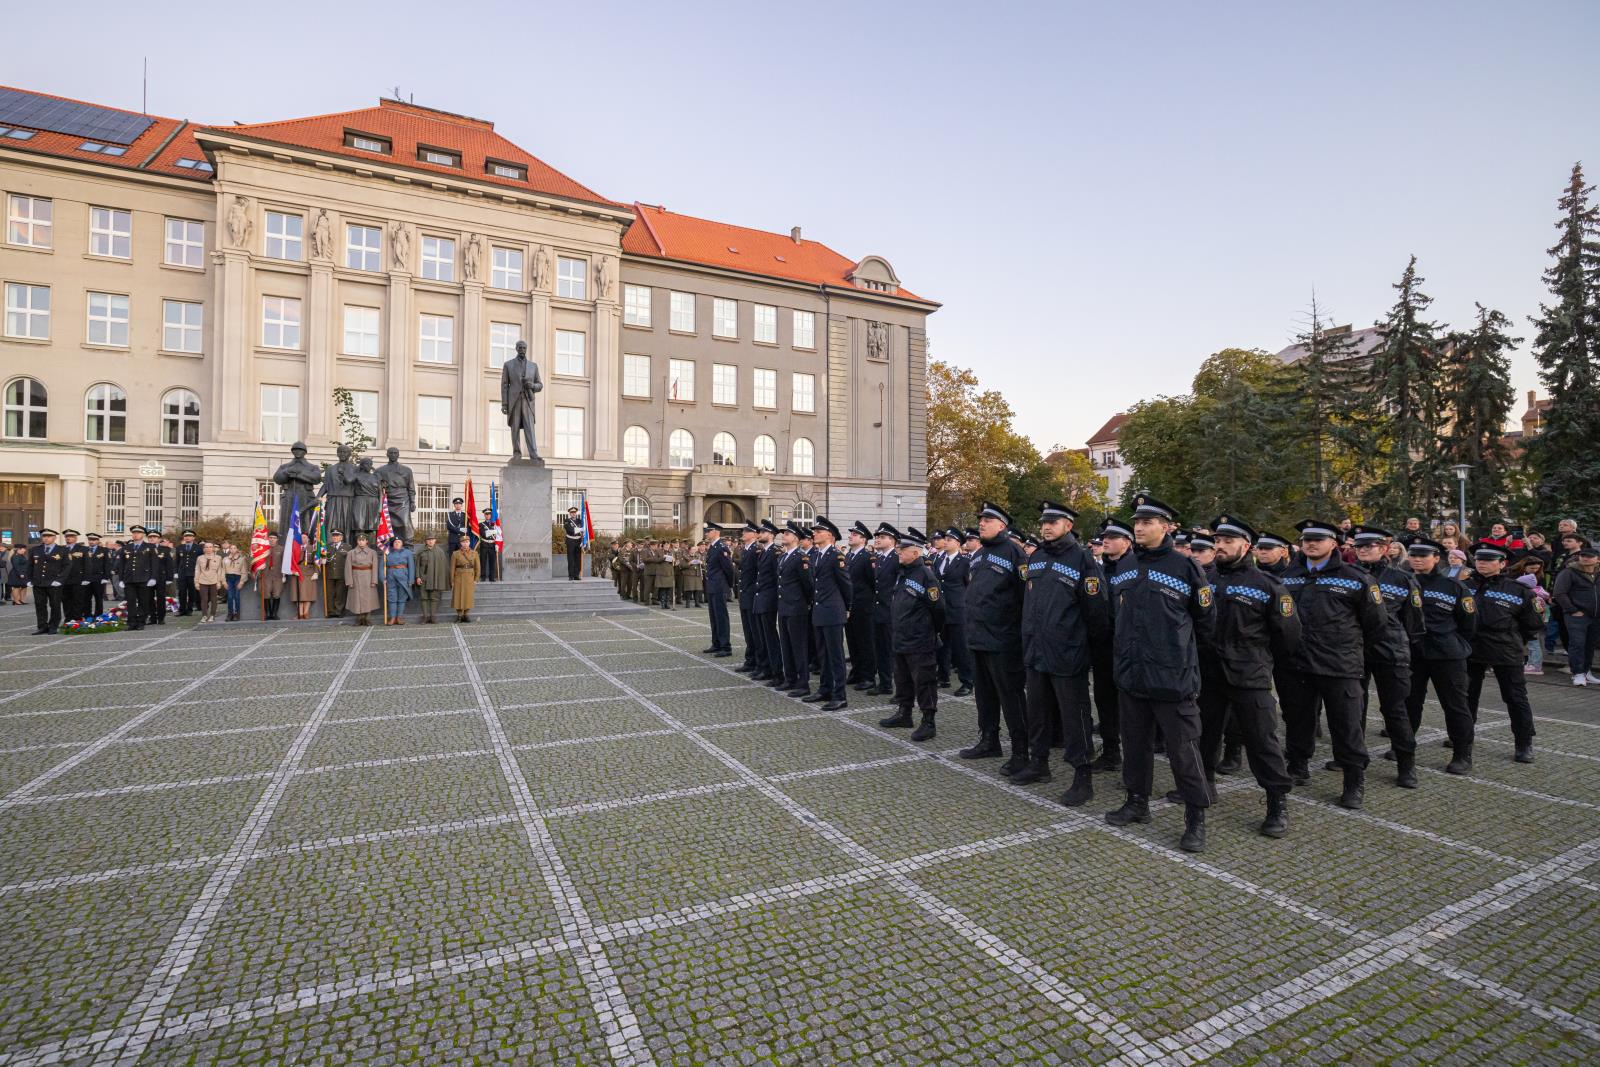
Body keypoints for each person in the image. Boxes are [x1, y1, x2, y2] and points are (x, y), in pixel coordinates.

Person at [1105, 494, 1214, 852]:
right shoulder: (1125, 566)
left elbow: (1205, 622)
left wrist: (1182, 661)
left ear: (1167, 527)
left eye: (1148, 522)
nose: (1139, 527)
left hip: (1172, 677)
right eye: (1137, 521)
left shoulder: (1186, 568)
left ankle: (1195, 817)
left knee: (1183, 750)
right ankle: (1137, 802)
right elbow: (1115, 617)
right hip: (1132, 674)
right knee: (1134, 745)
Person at [1201, 516, 1300, 835]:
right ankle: (1204, 786)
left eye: (1228, 541)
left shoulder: (1268, 585)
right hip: (1210, 673)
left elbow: (1288, 635)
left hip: (1250, 674)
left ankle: (1276, 804)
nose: (1220, 546)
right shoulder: (1205, 578)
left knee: (1262, 740)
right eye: (1217, 541)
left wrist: (1260, 660)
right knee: (1204, 736)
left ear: (1246, 546)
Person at [1279, 519, 1386, 808]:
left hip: (1339, 665)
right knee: (1298, 719)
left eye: (1318, 539)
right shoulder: (1288, 576)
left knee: (1346, 725)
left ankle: (1353, 781)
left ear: (1334, 543)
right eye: (1306, 539)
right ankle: (1297, 764)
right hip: (1297, 664)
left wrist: (1347, 649)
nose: (1310, 543)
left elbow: (1376, 624)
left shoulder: (1356, 577)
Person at [1015, 501, 1108, 804]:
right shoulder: (1037, 556)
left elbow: (1096, 612)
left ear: (1068, 525)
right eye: (1043, 522)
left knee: (1075, 716)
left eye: (1052, 522)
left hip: (1067, 653)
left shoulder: (1083, 560)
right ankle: (1038, 763)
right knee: (1038, 712)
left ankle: (1083, 776)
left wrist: (1082, 647)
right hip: (1036, 650)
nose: (1045, 527)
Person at [1350, 525, 1424, 788]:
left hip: (1390, 650)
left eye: (1369, 546)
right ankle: (1351, 758)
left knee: (1394, 709)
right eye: (1359, 546)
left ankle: (1406, 764)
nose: (1363, 550)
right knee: (1352, 707)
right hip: (1354, 650)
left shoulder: (1402, 579)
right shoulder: (1348, 575)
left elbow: (1414, 622)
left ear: (1384, 548)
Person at [959, 503, 1030, 770]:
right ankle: (989, 740)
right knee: (984, 695)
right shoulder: (977, 555)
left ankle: (1021, 751)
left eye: (988, 520)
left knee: (1011, 697)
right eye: (981, 520)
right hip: (978, 637)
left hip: (1004, 640)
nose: (982, 524)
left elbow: (1025, 597)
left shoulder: (1014, 552)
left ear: (1002, 525)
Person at [1405, 537, 1479, 774]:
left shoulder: (1454, 586)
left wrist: (1454, 642)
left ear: (1437, 558)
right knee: (1409, 703)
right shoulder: (1403, 582)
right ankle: (1404, 747)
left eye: (1423, 555)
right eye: (1413, 555)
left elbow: (1469, 623)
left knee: (1455, 705)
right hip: (1413, 653)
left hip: (1446, 654)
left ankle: (1462, 754)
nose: (1417, 559)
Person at [1465, 540, 1543, 763]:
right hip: (1471, 649)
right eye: (1479, 559)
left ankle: (1524, 742)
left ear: (1503, 563)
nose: (1482, 563)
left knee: (1515, 698)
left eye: (1489, 560)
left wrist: (1514, 638)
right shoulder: (1464, 586)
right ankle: (1463, 736)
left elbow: (1533, 624)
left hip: (1505, 649)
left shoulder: (1518, 590)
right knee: (1466, 696)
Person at [878, 528, 945, 740]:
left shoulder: (926, 575)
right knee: (903, 679)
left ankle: (928, 721)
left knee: (924, 681)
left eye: (903, 549)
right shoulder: (903, 572)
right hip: (901, 637)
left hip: (920, 639)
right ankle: (904, 713)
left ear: (915, 553)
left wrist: (930, 632)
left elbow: (939, 609)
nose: (899, 551)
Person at [1091, 518, 1135, 772]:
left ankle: (1133, 758)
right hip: (1104, 647)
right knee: (1105, 700)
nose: (1105, 540)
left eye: (1112, 537)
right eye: (1104, 536)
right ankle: (1110, 751)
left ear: (1127, 542)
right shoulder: (1097, 569)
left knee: (1130, 706)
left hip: (1129, 648)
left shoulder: (1136, 568)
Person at [803, 517, 851, 709]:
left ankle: (840, 695)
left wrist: (847, 607)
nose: (814, 533)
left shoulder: (836, 556)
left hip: (833, 611)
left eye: (818, 531)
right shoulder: (816, 555)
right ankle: (825, 689)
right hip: (819, 610)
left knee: (836, 655)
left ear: (829, 535)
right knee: (822, 654)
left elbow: (846, 585)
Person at [775, 521, 815, 697]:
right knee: (786, 646)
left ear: (796, 539)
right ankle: (790, 678)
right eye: (784, 533)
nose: (784, 536)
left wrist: (804, 602)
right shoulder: (783, 557)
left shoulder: (801, 558)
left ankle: (803, 683)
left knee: (798, 647)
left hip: (797, 607)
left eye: (787, 534)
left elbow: (808, 584)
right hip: (784, 607)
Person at [935, 527, 975, 696]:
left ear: (958, 543)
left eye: (949, 540)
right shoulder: (939, 560)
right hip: (942, 610)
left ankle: (967, 681)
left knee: (961, 648)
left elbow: (969, 585)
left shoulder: (965, 562)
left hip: (958, 610)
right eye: (945, 539)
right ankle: (943, 677)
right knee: (942, 647)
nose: (945, 542)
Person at [1553, 544, 1600, 685]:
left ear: (1598, 559)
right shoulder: (1569, 572)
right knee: (1577, 644)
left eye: (1589, 556)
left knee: (1590, 645)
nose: (1585, 558)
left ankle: (1586, 672)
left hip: (1596, 616)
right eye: (1583, 556)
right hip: (1576, 615)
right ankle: (1578, 673)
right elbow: (1559, 593)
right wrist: (1573, 610)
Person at [844, 522, 878, 690]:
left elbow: (873, 583)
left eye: (854, 535)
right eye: (851, 534)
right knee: (852, 641)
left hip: (864, 607)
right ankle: (856, 672)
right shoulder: (849, 556)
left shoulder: (867, 557)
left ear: (863, 539)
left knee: (865, 642)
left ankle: (868, 676)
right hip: (851, 607)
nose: (850, 536)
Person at [753, 522, 783, 684]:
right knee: (762, 636)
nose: (760, 533)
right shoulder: (763, 552)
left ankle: (776, 671)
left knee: (770, 637)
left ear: (771, 535)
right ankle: (765, 667)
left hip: (769, 599)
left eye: (763, 531)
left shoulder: (774, 552)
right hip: (760, 598)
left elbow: (776, 577)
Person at [702, 523, 736, 657]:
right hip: (712, 586)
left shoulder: (722, 548)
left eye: (708, 531)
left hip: (719, 586)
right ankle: (716, 643)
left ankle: (725, 646)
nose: (706, 533)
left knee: (721, 617)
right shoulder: (713, 547)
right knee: (714, 617)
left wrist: (728, 586)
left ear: (715, 532)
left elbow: (729, 569)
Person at [1514, 556, 1552, 675]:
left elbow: (1538, 610)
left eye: (1537, 568)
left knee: (1534, 642)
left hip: (1533, 621)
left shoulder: (1533, 596)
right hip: (1535, 620)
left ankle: (1535, 665)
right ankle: (1531, 663)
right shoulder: (1537, 592)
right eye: (1532, 568)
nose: (1535, 570)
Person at [734, 524, 765, 673]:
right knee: (748, 630)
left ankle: (759, 662)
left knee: (755, 631)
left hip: (752, 594)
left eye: (747, 531)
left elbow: (757, 573)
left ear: (754, 535)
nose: (743, 533)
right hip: (745, 595)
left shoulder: (756, 550)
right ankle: (750, 659)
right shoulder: (746, 549)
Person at [27, 528, 67, 634]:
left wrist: (59, 580)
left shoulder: (62, 550)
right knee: (40, 605)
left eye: (49, 536)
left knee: (55, 605)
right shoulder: (35, 550)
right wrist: (29, 579)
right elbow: (29, 566)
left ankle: (53, 626)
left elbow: (67, 566)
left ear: (54, 537)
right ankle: (42, 626)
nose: (46, 538)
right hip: (38, 582)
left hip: (54, 583)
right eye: (44, 536)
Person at [120, 526, 159, 630]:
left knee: (143, 601)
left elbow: (154, 563)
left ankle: (141, 622)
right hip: (129, 579)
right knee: (131, 601)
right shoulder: (126, 548)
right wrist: (121, 579)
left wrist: (153, 578)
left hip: (144, 578)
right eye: (134, 533)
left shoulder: (150, 547)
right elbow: (121, 565)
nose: (135, 534)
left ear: (143, 535)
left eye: (138, 533)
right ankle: (131, 622)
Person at [343, 534, 380, 625]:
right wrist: (349, 581)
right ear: (357, 541)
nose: (361, 542)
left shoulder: (372, 552)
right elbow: (348, 568)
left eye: (363, 540)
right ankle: (359, 618)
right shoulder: (351, 553)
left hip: (368, 576)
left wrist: (374, 581)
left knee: (368, 598)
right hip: (356, 577)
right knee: (357, 598)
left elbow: (375, 567)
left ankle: (367, 618)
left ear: (367, 541)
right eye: (359, 540)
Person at [414, 534, 450, 624]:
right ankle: (425, 617)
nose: (430, 541)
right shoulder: (420, 551)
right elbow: (417, 565)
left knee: (434, 598)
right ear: (426, 541)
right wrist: (417, 577)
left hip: (435, 578)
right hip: (423, 578)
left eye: (432, 539)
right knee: (424, 598)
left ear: (435, 541)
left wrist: (442, 580)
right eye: (428, 539)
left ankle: (433, 617)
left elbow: (444, 567)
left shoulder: (440, 552)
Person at [384, 536, 415, 624]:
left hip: (403, 577)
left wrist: (411, 580)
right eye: (395, 542)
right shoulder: (387, 552)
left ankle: (399, 617)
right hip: (391, 577)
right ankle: (392, 618)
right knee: (391, 598)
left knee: (402, 598)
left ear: (402, 544)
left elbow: (411, 567)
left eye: (399, 542)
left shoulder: (407, 552)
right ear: (392, 544)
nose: (397, 543)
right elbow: (382, 566)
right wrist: (383, 577)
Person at [194, 541, 225, 622]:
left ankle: (212, 615)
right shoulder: (200, 558)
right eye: (206, 547)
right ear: (204, 549)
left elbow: (220, 570)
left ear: (213, 548)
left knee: (214, 599)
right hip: (202, 581)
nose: (208, 549)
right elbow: (197, 570)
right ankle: (204, 615)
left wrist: (219, 582)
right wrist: (196, 582)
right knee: (204, 599)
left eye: (210, 547)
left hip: (214, 581)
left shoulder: (218, 558)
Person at [451, 536, 480, 622]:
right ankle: (459, 615)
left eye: (467, 542)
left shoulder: (474, 553)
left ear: (469, 543)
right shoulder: (455, 554)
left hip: (469, 577)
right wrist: (452, 580)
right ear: (460, 543)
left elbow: (478, 568)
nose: (465, 543)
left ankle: (466, 615)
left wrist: (476, 579)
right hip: (459, 577)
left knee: (468, 596)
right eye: (463, 542)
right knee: (458, 596)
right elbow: (452, 568)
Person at [259, 532, 285, 621]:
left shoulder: (281, 549)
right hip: (266, 575)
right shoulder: (263, 549)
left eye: (274, 538)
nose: (272, 539)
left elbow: (284, 562)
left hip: (278, 575)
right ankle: (268, 614)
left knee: (277, 594)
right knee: (266, 594)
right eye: (270, 537)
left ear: (277, 539)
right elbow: (258, 560)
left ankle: (274, 614)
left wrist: (284, 575)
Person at [175, 529, 201, 616]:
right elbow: (177, 561)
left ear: (193, 537)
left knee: (192, 592)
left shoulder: (198, 548)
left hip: (193, 573)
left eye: (189, 536)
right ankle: (181, 609)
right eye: (186, 536)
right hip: (182, 573)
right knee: (181, 592)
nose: (187, 538)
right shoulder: (179, 548)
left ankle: (189, 609)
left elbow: (200, 561)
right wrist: (175, 572)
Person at [290, 547, 319, 620]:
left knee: (308, 594)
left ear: (308, 538)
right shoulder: (295, 546)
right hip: (297, 572)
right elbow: (290, 559)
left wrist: (316, 572)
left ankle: (306, 613)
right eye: (302, 536)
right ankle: (300, 614)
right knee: (298, 595)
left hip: (309, 573)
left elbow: (316, 560)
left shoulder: (313, 548)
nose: (303, 538)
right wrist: (292, 570)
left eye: (305, 537)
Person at [324, 530, 348, 618]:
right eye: (333, 536)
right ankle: (331, 611)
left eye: (337, 536)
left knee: (340, 593)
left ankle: (339, 611)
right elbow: (323, 557)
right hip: (330, 574)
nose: (335, 537)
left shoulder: (347, 547)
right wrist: (323, 561)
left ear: (341, 537)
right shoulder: (327, 547)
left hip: (342, 574)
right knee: (330, 593)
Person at [222, 542, 248, 621]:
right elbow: (222, 571)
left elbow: (244, 571)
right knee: (230, 597)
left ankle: (237, 614)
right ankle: (230, 614)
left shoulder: (241, 559)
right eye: (231, 548)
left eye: (234, 548)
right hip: (229, 578)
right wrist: (223, 582)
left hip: (237, 578)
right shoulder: (225, 559)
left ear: (237, 550)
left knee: (236, 596)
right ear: (229, 549)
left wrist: (242, 582)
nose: (232, 550)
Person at [479, 508, 500, 582]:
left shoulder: (495, 524)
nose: (488, 516)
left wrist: (497, 544)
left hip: (492, 545)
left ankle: (492, 577)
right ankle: (483, 577)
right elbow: (484, 534)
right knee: (483, 561)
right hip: (484, 544)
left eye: (489, 514)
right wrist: (493, 531)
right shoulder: (481, 524)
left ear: (491, 515)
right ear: (484, 515)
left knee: (492, 562)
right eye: (486, 514)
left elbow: (499, 534)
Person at [564, 506, 584, 581]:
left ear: (576, 513)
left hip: (578, 541)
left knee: (577, 559)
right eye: (572, 512)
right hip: (570, 541)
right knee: (571, 559)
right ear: (570, 513)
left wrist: (582, 529)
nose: (573, 514)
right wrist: (580, 529)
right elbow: (570, 530)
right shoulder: (567, 521)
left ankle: (576, 575)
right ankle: (571, 576)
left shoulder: (580, 521)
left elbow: (584, 529)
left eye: (574, 512)